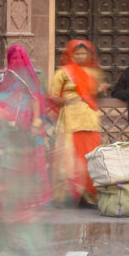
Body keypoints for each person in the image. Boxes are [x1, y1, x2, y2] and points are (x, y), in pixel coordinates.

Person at [0, 45, 51, 207]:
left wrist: (35, 124)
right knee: (11, 162)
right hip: (10, 127)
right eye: (13, 58)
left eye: (19, 58)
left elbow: (35, 99)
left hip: (27, 126)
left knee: (29, 161)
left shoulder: (29, 77)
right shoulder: (7, 76)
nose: (16, 61)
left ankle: (32, 199)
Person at [49, 40, 107, 207]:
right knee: (70, 157)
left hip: (90, 120)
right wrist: (68, 99)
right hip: (71, 120)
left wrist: (100, 91)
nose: (81, 56)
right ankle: (70, 196)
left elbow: (96, 97)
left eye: (84, 53)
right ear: (70, 55)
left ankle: (88, 196)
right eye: (77, 54)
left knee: (90, 155)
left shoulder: (93, 73)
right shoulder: (63, 73)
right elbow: (53, 95)